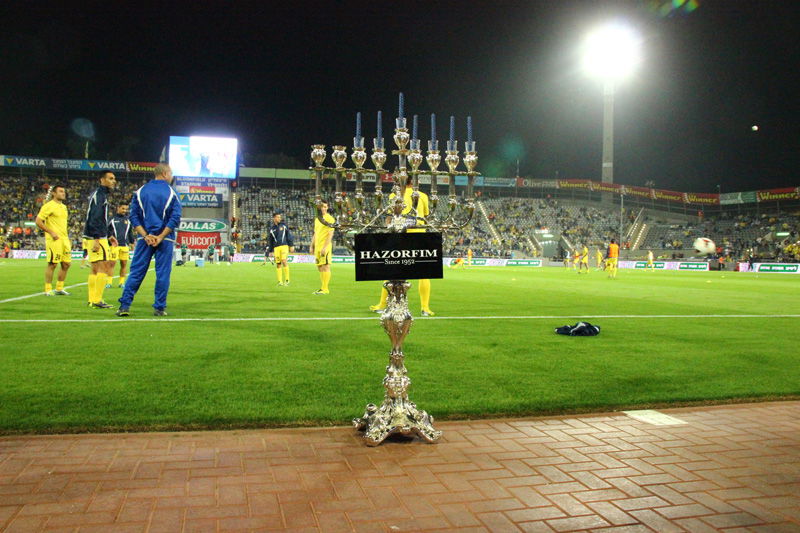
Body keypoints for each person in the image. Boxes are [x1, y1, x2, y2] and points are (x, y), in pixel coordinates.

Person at [117, 163, 182, 317]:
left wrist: (146, 235)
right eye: (171, 173)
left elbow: (133, 216)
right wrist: (160, 236)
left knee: (136, 272)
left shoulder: (140, 191)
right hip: (165, 239)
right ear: (165, 173)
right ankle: (159, 308)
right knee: (162, 274)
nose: (171, 176)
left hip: (144, 239)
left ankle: (124, 306)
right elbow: (175, 218)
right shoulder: (172, 193)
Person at [369, 177, 435, 316]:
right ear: (414, 182)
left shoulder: (394, 195)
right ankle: (425, 308)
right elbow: (426, 216)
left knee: (391, 271)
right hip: (419, 235)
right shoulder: (422, 196)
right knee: (424, 274)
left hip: (400, 235)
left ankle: (382, 305)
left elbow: (389, 217)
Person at [84, 171, 117, 308]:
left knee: (95, 268)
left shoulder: (99, 194)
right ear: (102, 180)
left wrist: (108, 235)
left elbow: (99, 218)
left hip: (93, 235)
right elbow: (95, 217)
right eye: (110, 178)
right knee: (104, 267)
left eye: (114, 179)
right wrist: (97, 239)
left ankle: (92, 299)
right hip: (96, 237)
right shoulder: (100, 195)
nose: (114, 181)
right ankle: (97, 300)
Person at [35, 185, 72, 296]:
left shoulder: (64, 207)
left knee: (66, 264)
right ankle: (48, 289)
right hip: (54, 240)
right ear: (53, 193)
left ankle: (59, 288)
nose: (63, 193)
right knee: (52, 264)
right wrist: (51, 232)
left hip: (64, 239)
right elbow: (38, 221)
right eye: (60, 191)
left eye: (64, 191)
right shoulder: (48, 206)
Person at [310, 200, 335, 294]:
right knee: (319, 267)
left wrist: (325, 247)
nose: (323, 208)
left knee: (326, 266)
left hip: (325, 246)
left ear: (327, 208)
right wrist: (311, 246)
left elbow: (330, 234)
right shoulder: (317, 219)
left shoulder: (330, 219)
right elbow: (315, 233)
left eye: (325, 207)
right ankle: (322, 288)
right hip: (317, 246)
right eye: (322, 207)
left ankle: (325, 289)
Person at [108, 204, 136, 288]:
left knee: (124, 264)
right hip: (114, 246)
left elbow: (130, 232)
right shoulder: (112, 219)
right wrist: (109, 238)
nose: (125, 211)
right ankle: (109, 283)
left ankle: (122, 283)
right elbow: (106, 230)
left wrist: (132, 243)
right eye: (123, 208)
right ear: (118, 208)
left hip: (125, 245)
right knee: (111, 264)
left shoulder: (128, 220)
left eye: (126, 209)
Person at [267, 211, 294, 286]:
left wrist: (291, 245)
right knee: (278, 264)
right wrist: (270, 251)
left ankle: (287, 280)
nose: (280, 218)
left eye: (280, 217)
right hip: (276, 248)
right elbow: (270, 240)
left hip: (284, 246)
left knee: (284, 260)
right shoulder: (271, 229)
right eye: (278, 217)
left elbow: (289, 235)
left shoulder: (284, 225)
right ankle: (280, 281)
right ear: (274, 218)